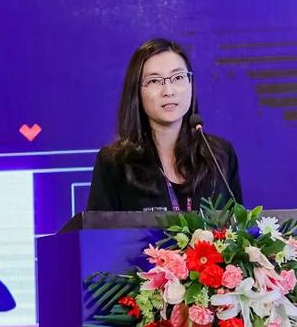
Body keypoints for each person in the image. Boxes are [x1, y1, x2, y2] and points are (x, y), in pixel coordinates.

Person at [87, 38, 242, 212]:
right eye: (154, 81)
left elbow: (239, 225)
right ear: (137, 93)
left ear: (190, 85)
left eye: (178, 77)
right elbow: (98, 228)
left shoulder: (220, 155)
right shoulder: (114, 163)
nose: (168, 91)